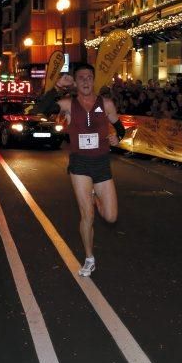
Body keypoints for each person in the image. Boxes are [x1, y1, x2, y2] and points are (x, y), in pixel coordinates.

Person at [35, 63, 126, 277]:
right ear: (75, 82)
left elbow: (120, 127)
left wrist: (117, 137)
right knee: (88, 216)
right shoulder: (68, 104)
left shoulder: (106, 104)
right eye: (81, 77)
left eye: (89, 77)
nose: (86, 81)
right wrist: (58, 85)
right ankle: (89, 258)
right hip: (80, 165)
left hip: (102, 163)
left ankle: (93, 195)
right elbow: (42, 109)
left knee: (111, 216)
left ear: (94, 80)